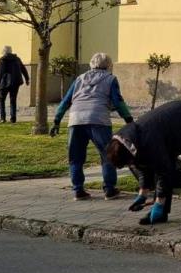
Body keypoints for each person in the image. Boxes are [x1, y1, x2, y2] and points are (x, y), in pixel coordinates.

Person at [106, 99, 181, 232]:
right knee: (160, 166)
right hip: (169, 131)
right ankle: (162, 214)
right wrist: (142, 193)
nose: (129, 165)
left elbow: (163, 172)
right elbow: (142, 166)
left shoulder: (148, 142)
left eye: (127, 163)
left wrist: (159, 203)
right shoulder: (123, 142)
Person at [49, 53, 134, 200]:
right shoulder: (111, 79)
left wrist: (56, 121)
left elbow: (66, 101)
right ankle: (109, 189)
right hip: (99, 119)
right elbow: (118, 101)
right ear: (109, 65)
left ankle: (78, 190)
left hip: (76, 119)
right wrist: (129, 119)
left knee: (75, 157)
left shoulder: (79, 79)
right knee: (107, 155)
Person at [0, 45, 29, 124]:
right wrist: (27, 79)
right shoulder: (17, 59)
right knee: (13, 100)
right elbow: (23, 69)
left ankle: (3, 118)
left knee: (2, 100)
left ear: (4, 52)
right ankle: (13, 118)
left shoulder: (3, 60)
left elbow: (0, 73)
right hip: (15, 83)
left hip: (5, 83)